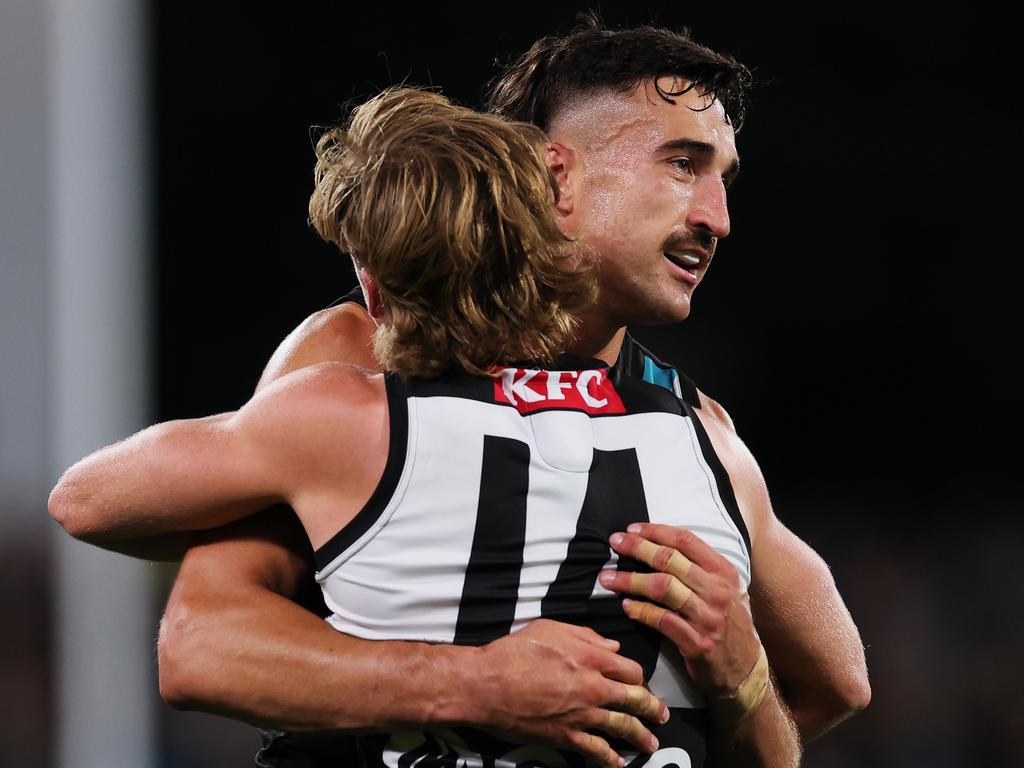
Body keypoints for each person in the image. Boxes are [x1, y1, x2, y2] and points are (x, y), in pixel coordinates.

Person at [52, 19, 869, 768]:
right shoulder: (357, 359)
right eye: (683, 164)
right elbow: (205, 640)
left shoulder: (693, 425)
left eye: (724, 176)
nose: (718, 216)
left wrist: (746, 679)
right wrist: (474, 685)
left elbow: (836, 688)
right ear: (555, 175)